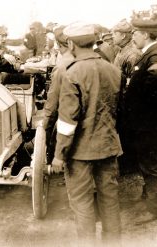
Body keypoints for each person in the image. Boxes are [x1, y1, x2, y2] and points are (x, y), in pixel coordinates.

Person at [51, 22, 122, 245]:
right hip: (108, 146)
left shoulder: (72, 73)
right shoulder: (113, 70)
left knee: (82, 204)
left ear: (71, 44)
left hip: (80, 152)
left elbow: (67, 121)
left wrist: (59, 155)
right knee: (110, 201)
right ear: (93, 42)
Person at [122, 19, 157, 224]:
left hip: (146, 123)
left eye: (135, 34)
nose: (133, 37)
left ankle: (155, 209)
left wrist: (134, 102)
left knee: (150, 164)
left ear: (146, 35)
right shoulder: (147, 55)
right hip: (142, 123)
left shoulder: (155, 56)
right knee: (144, 162)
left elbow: (153, 88)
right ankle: (148, 198)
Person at [111, 19, 142, 175]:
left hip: (127, 100)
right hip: (120, 98)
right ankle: (126, 163)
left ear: (123, 36)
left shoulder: (132, 54)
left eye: (114, 34)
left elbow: (131, 82)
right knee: (122, 132)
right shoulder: (121, 51)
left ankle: (130, 165)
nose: (112, 36)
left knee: (128, 132)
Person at [42, 25, 74, 164]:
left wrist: (44, 129)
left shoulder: (61, 67)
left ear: (58, 45)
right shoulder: (100, 63)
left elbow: (52, 105)